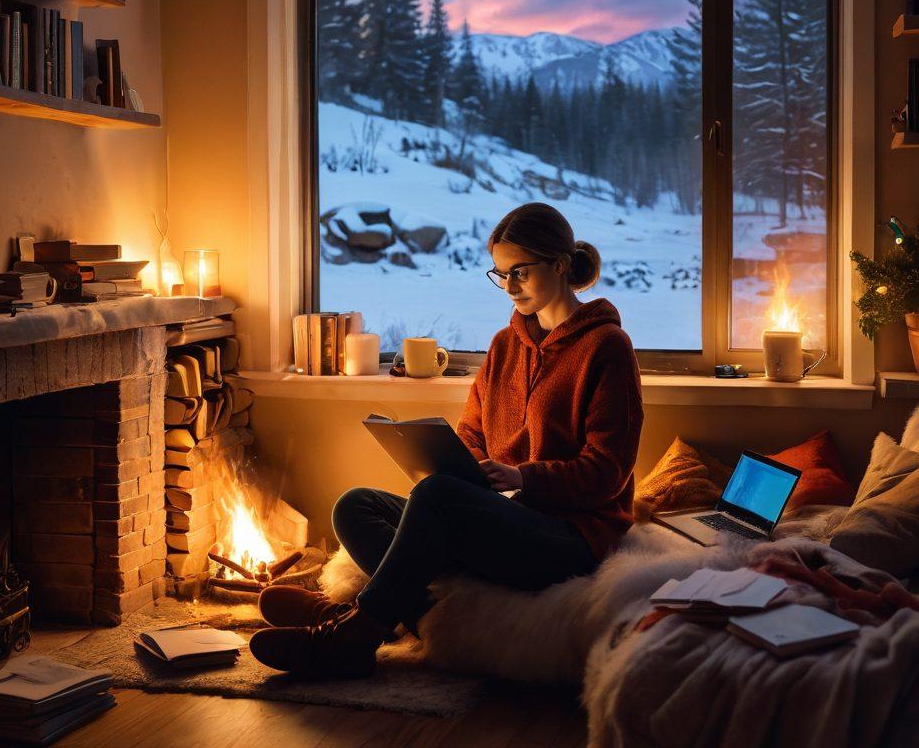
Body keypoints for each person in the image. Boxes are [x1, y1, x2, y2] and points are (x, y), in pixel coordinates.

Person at [250, 202, 644, 678]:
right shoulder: (505, 345)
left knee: (435, 497)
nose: (509, 287)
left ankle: (354, 635)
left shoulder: (606, 348)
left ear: (560, 264)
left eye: (519, 271)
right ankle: (376, 616)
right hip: (502, 516)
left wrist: (522, 476)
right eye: (500, 274)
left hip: (569, 535)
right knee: (355, 506)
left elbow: (606, 472)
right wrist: (467, 464)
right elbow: (473, 431)